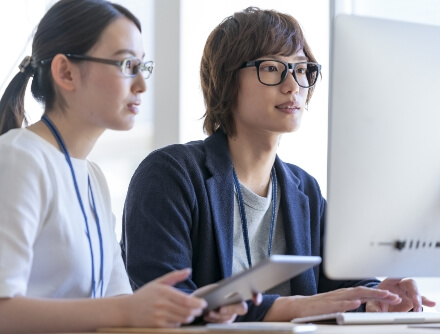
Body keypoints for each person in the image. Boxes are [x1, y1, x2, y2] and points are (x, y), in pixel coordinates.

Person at [121, 6, 436, 322]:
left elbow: (341, 282)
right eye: (271, 68)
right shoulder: (170, 175)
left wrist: (376, 297)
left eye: (301, 69)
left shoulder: (304, 190)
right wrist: (291, 307)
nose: (293, 86)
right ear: (226, 80)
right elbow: (166, 304)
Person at [0, 0, 210, 332]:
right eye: (127, 64)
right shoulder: (19, 159)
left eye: (143, 66)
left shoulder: (92, 177)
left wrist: (193, 306)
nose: (142, 84)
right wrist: (126, 312)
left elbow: (117, 300)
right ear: (66, 72)